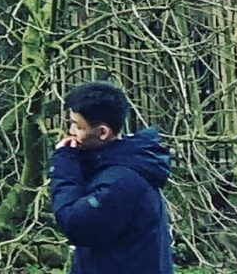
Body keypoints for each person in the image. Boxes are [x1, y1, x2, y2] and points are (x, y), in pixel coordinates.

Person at [48, 81, 173, 274]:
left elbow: (75, 224)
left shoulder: (122, 181)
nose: (71, 132)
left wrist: (63, 166)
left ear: (103, 132)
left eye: (77, 125)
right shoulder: (121, 164)